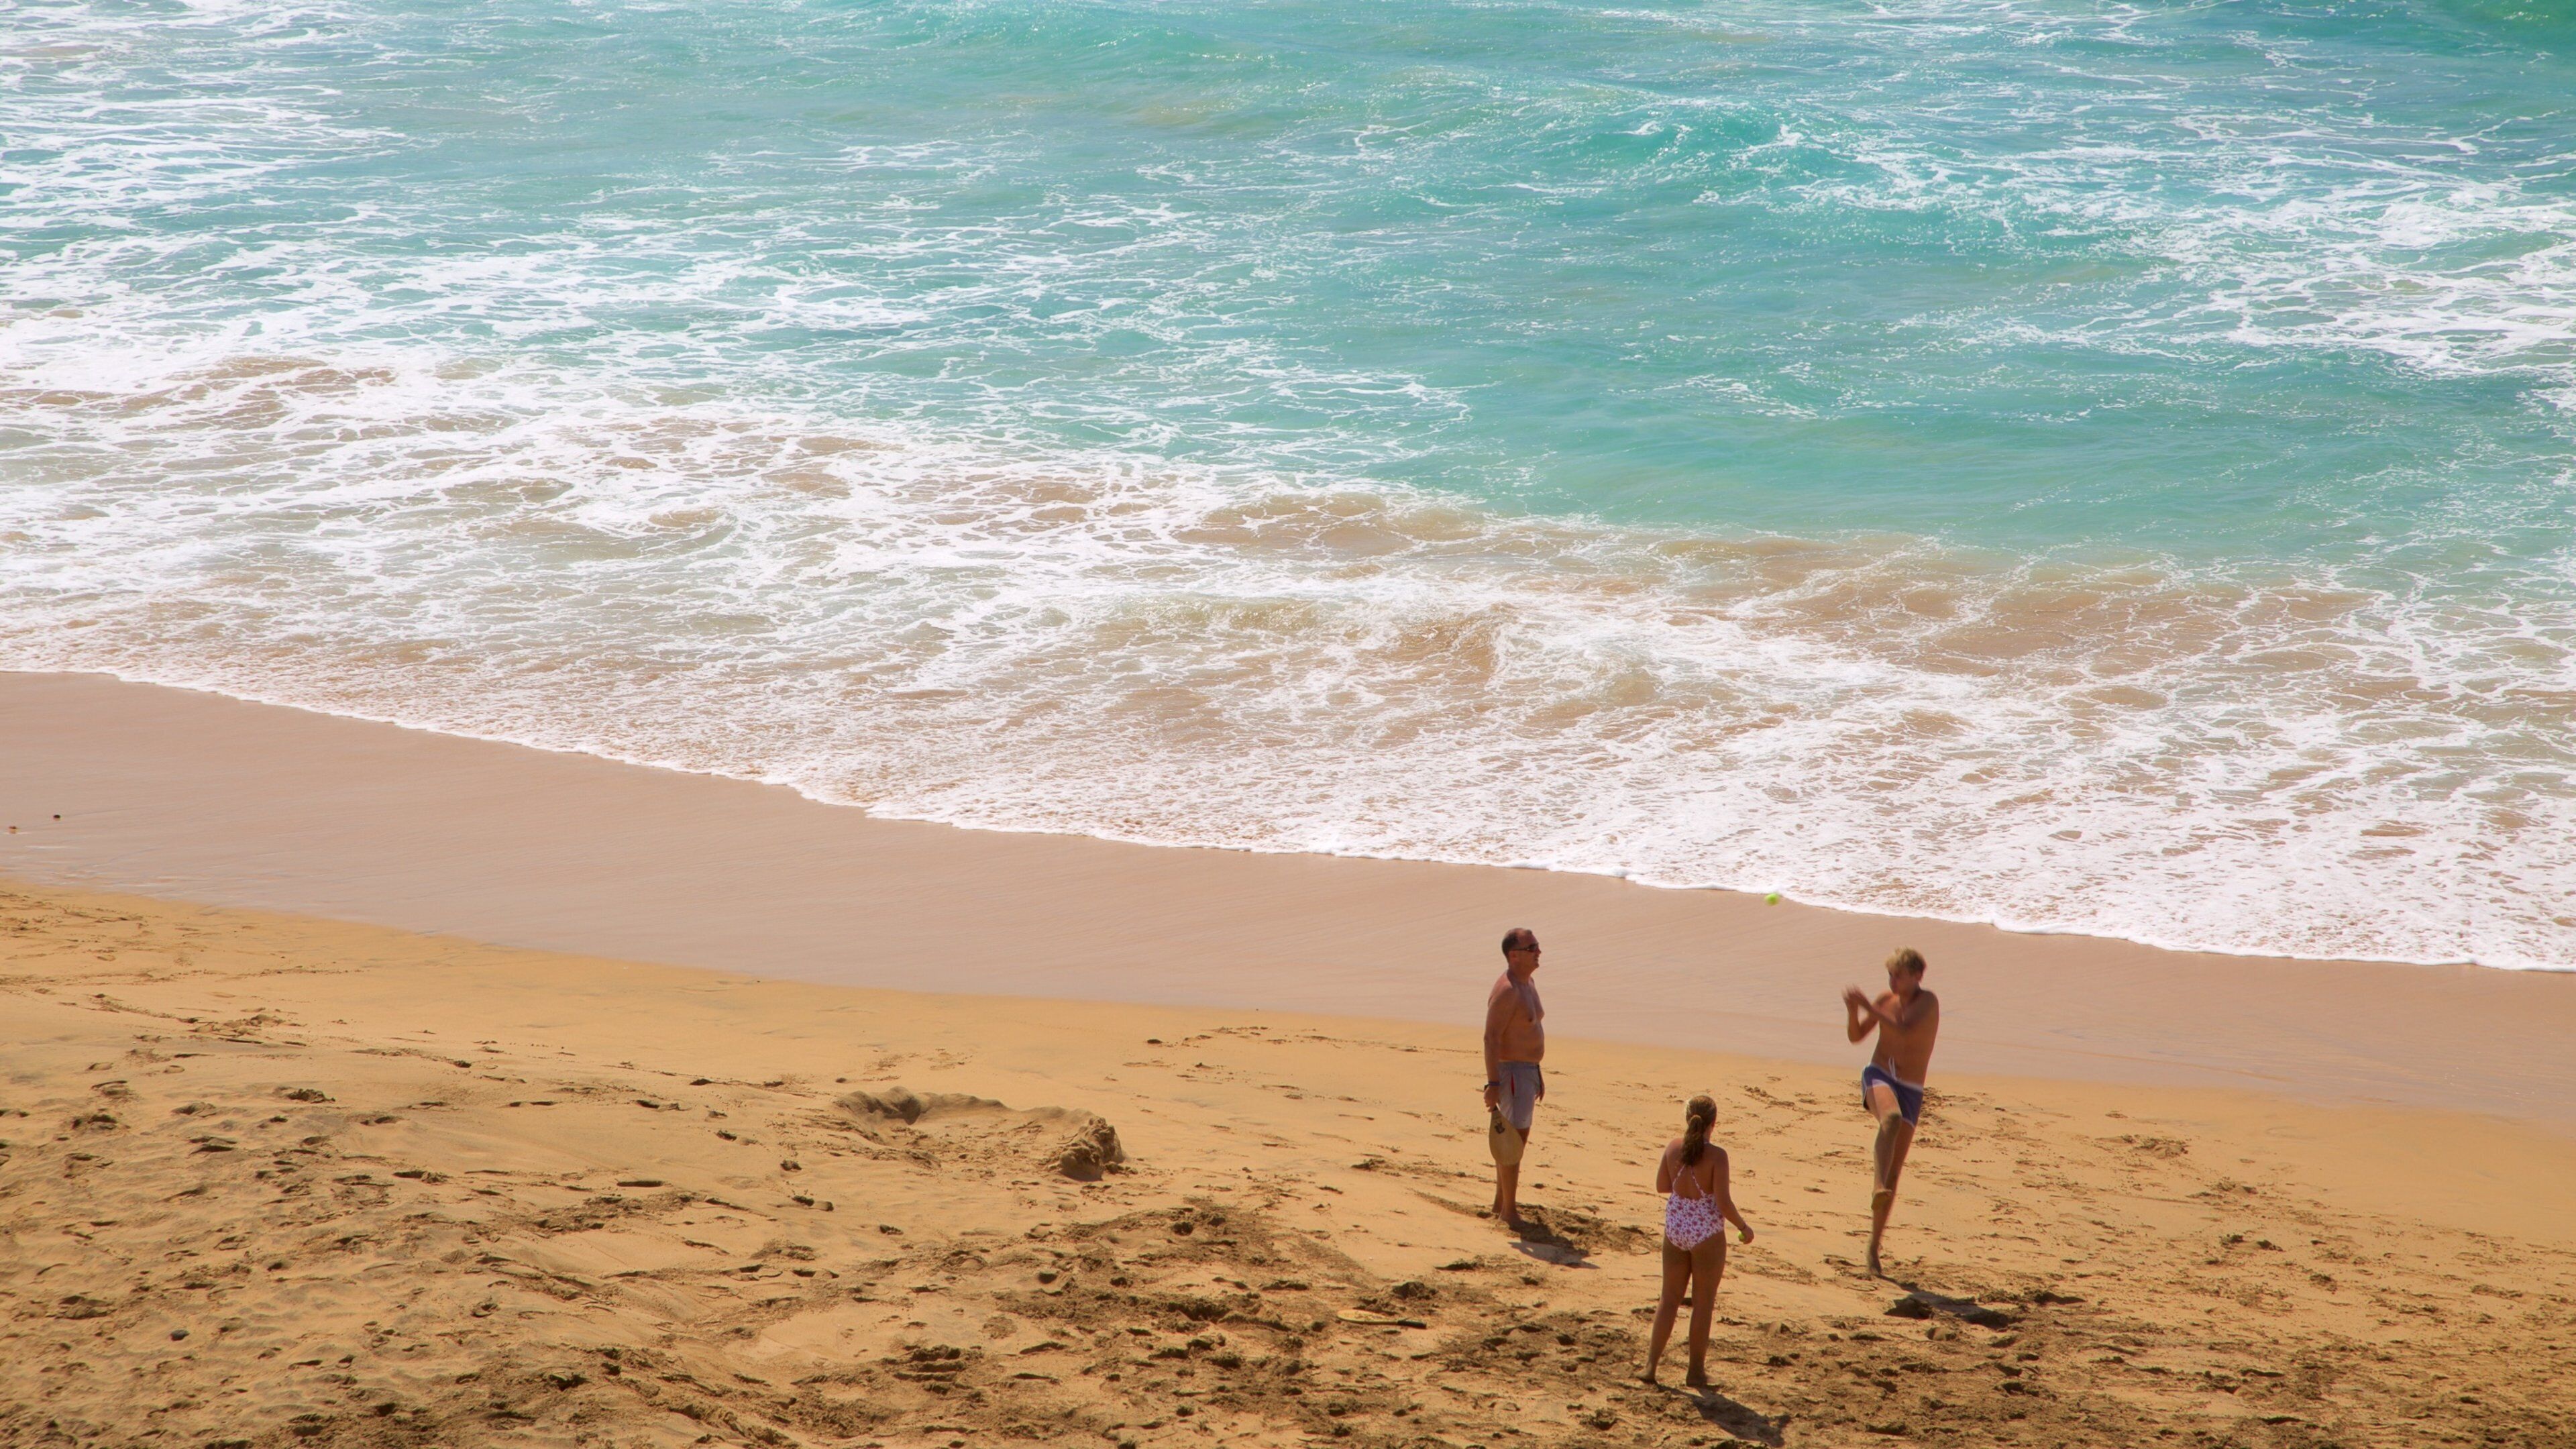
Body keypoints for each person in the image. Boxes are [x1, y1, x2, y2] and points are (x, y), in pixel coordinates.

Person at [1642, 1095, 1754, 1388]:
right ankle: (1695, 1372)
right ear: (1714, 1124)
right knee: (1703, 1304)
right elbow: (1724, 1202)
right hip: (1706, 1235)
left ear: (1687, 1117)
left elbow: (1661, 1186)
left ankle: (1651, 1366)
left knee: (1669, 1300)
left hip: (1676, 1230)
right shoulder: (1717, 1156)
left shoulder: (1673, 1148)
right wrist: (1744, 1227)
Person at [1842, 947, 1941, 1277]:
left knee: (1896, 1173)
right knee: (1891, 1119)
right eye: (1890, 975)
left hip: (1911, 1089)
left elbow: (1904, 1029)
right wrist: (1853, 1011)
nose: (1892, 980)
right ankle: (1876, 1186)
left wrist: (1868, 1005)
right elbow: (1857, 1037)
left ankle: (1872, 1247)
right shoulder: (1884, 999)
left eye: (1898, 975)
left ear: (1916, 976)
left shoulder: (1929, 1003)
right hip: (1879, 1075)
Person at [1481, 927, 1546, 1228]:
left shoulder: (1528, 982)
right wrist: (1493, 1084)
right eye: (1532, 947)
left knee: (1514, 1142)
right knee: (1513, 1144)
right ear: (1514, 955)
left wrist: (1536, 1072)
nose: (1538, 951)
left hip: (1526, 1073)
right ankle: (1509, 1213)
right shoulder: (1507, 990)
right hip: (1511, 1076)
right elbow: (1491, 1038)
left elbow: (1528, 1030)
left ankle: (1500, 1204)